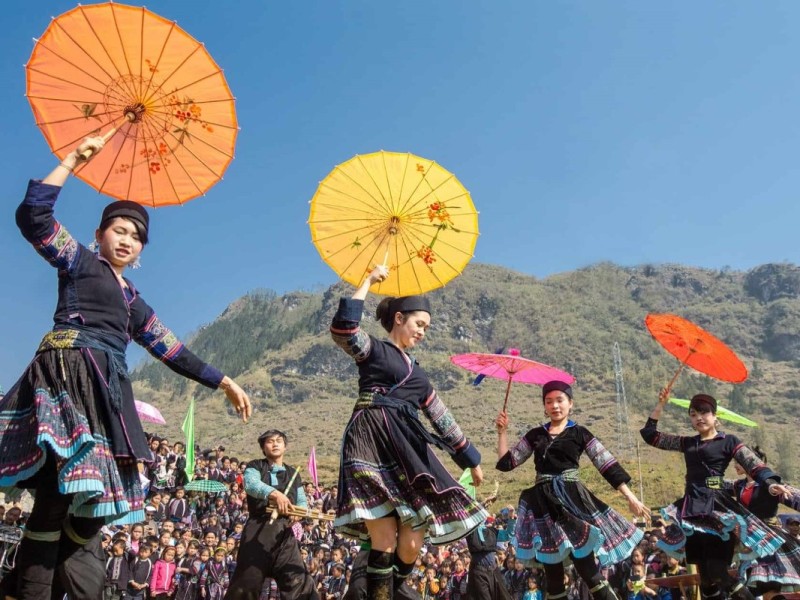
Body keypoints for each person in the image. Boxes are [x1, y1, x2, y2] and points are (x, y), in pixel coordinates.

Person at [0, 137, 252, 600]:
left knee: (95, 510)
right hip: (68, 378)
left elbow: (173, 351)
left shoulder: (134, 302)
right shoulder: (78, 262)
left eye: (135, 236)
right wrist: (72, 162)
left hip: (108, 393)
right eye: (118, 230)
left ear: (140, 251)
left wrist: (225, 381)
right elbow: (33, 218)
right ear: (99, 236)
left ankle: (21, 581)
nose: (126, 239)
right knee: (54, 503)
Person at [331, 265, 487, 598]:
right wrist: (368, 281)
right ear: (399, 318)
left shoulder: (419, 376)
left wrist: (471, 459)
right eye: (420, 324)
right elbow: (344, 330)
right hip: (370, 439)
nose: (423, 332)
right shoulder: (374, 350)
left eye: (427, 328)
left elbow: (441, 418)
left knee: (412, 544)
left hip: (407, 450)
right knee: (384, 538)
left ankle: (388, 592)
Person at [496, 380, 648, 600]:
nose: (555, 406)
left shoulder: (579, 433)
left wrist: (631, 498)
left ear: (570, 404)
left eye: (560, 400)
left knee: (589, 571)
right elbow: (507, 463)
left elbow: (606, 464)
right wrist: (502, 432)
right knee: (553, 577)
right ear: (544, 406)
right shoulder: (535, 434)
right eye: (549, 401)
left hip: (572, 503)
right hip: (543, 506)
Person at [641, 391, 792, 600]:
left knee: (718, 571)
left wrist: (771, 483)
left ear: (715, 416)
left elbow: (753, 464)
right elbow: (651, 436)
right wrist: (660, 404)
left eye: (704, 412)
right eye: (693, 414)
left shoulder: (728, 441)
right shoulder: (687, 443)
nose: (699, 418)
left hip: (717, 510)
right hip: (691, 510)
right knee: (705, 579)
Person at [224, 429, 319, 599]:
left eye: (279, 440)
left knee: (299, 582)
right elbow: (251, 485)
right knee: (247, 583)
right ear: (263, 447)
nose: (275, 444)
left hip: (284, 533)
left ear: (285, 446)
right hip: (258, 530)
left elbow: (301, 501)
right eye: (270, 441)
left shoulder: (293, 473)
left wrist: (298, 513)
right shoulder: (255, 466)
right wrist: (275, 494)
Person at [730, 446, 800, 594]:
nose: (735, 465)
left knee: (769, 588)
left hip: (768, 539)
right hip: (749, 540)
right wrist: (699, 476)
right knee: (752, 587)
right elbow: (715, 484)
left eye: (739, 461)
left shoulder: (769, 485)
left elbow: (792, 496)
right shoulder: (739, 486)